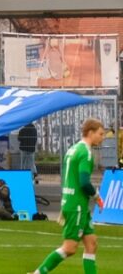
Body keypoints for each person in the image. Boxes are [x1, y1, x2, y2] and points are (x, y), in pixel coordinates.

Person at [29, 117, 107, 274]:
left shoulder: (73, 149)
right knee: (70, 248)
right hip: (76, 205)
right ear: (90, 132)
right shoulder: (86, 153)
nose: (102, 137)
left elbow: (68, 178)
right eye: (100, 134)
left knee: (91, 243)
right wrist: (97, 196)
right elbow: (84, 182)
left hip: (75, 203)